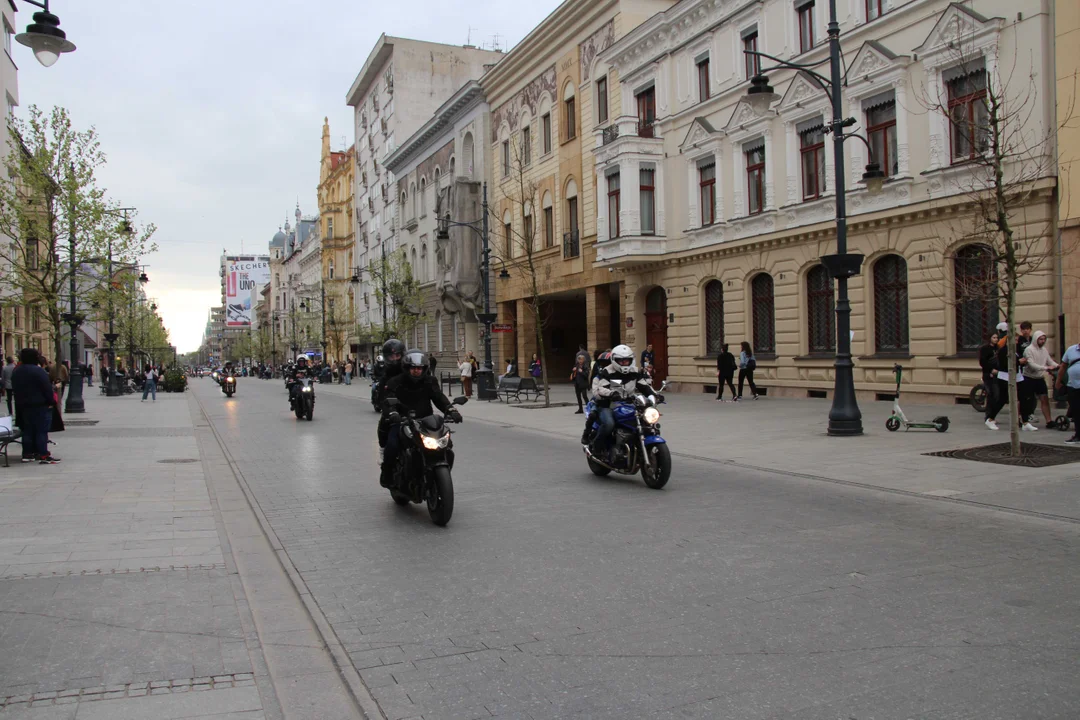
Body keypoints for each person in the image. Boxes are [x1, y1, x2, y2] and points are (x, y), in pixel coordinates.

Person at [379, 348, 459, 487]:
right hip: (402, 421)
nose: (416, 371)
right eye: (413, 368)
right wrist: (393, 413)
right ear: (407, 368)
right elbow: (388, 399)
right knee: (392, 445)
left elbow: (438, 397)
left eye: (419, 368)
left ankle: (437, 474)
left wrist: (450, 410)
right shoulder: (395, 382)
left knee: (446, 444)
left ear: (424, 369)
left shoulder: (429, 381)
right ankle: (387, 474)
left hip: (425, 421)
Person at [586, 344, 656, 461]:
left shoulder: (635, 372)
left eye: (627, 361)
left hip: (628, 404)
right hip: (608, 404)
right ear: (615, 360)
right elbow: (601, 388)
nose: (624, 363)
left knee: (644, 421)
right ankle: (597, 447)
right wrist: (612, 394)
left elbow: (644, 386)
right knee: (609, 424)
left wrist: (654, 395)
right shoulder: (607, 372)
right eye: (621, 361)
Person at [12, 348, 59, 464]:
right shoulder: (38, 371)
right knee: (41, 430)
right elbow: (46, 388)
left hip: (22, 405)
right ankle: (43, 454)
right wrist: (51, 401)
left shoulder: (17, 371)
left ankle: (27, 454)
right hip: (39, 405)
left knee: (27, 430)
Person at [375, 339, 407, 464]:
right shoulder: (386, 375)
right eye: (391, 356)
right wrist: (389, 409)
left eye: (397, 355)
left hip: (413, 407)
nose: (394, 359)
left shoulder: (409, 370)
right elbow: (382, 397)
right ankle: (383, 451)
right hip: (394, 410)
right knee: (385, 424)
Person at [1024, 330, 1060, 427]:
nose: (1043, 341)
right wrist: (1046, 368)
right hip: (1028, 378)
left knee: (1044, 399)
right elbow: (1031, 365)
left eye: (1044, 339)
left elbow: (1049, 361)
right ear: (1036, 339)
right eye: (1040, 339)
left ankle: (1049, 421)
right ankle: (1022, 419)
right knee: (1026, 400)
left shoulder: (1044, 350)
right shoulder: (1029, 349)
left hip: (1039, 378)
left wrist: (1058, 366)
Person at [1056, 341, 1080, 444]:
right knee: (1076, 411)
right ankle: (1078, 435)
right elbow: (1063, 366)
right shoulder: (1071, 350)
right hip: (1072, 386)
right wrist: (1058, 381)